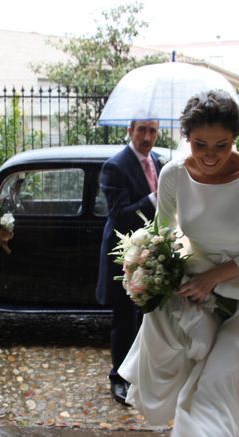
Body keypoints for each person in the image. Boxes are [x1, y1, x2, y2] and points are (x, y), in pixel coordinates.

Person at [118, 90, 239, 437]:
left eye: (222, 145)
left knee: (223, 367)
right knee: (193, 365)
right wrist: (149, 267)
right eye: (200, 145)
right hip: (198, 284)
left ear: (236, 138)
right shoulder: (175, 173)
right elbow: (163, 231)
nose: (210, 156)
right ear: (186, 138)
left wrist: (216, 276)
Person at [96, 119, 162, 405]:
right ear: (130, 131)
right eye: (142, 130)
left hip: (153, 250)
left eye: (153, 130)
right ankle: (119, 378)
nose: (147, 137)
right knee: (125, 319)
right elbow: (119, 214)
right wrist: (153, 198)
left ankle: (142, 372)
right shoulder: (115, 166)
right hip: (124, 254)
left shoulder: (158, 160)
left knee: (150, 317)